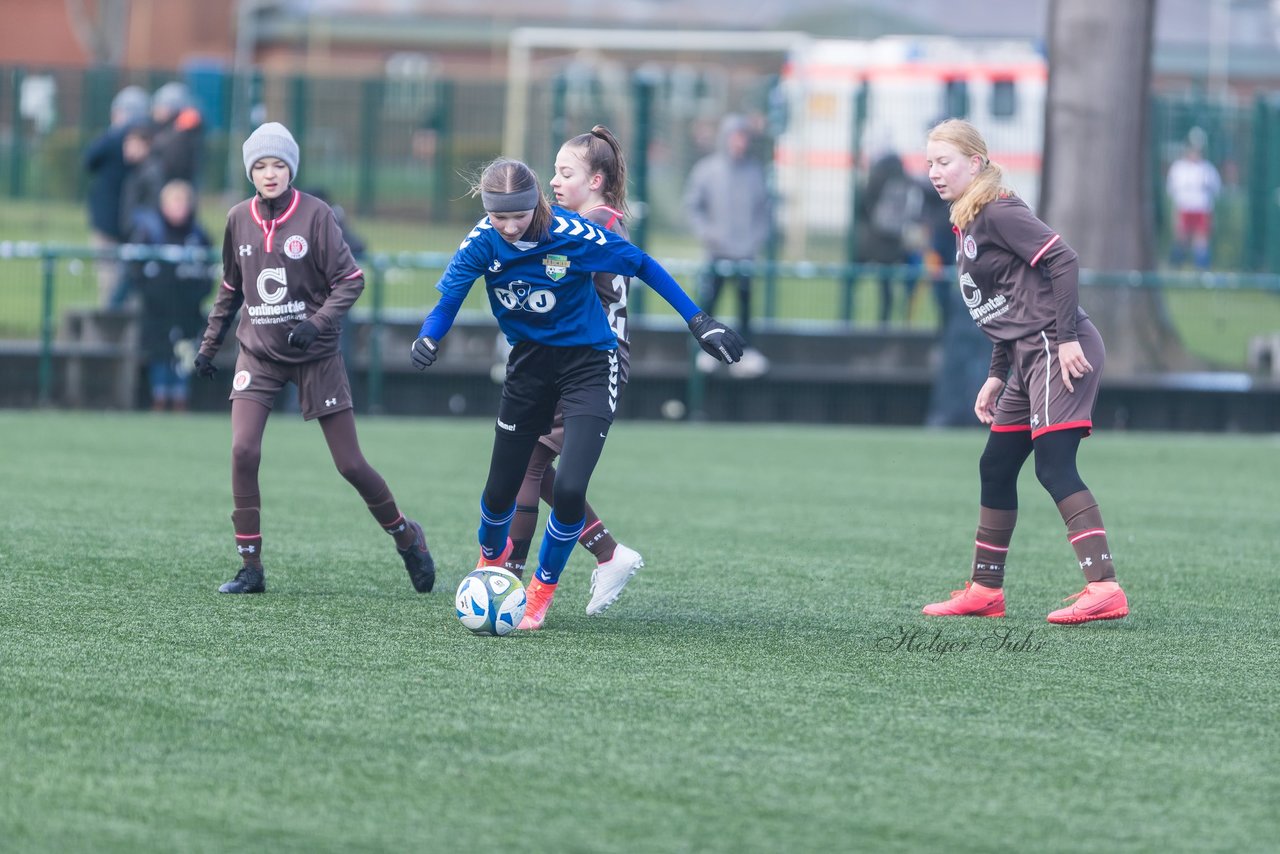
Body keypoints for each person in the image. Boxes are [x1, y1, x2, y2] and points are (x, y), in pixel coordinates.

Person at [411, 158, 744, 630]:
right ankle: (491, 561)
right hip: (529, 366)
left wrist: (699, 320)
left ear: (535, 204)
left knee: (568, 487)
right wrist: (428, 336)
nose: (507, 226)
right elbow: (448, 301)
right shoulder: (482, 241)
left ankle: (539, 594)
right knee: (499, 490)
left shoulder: (572, 234)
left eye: (517, 215)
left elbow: (642, 264)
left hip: (589, 364)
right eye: (497, 216)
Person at [193, 122, 434, 596]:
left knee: (349, 464)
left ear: (291, 169)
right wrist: (208, 344)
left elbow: (351, 279)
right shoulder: (238, 218)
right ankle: (251, 568)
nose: (269, 173)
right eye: (260, 165)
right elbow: (230, 286)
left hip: (314, 354)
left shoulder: (318, 216)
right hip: (258, 354)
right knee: (243, 451)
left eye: (278, 164)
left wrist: (317, 323)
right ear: (250, 172)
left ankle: (407, 537)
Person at [919, 118, 1129, 625]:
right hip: (1023, 357)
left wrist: (1067, 340)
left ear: (975, 162)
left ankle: (1104, 588)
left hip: (1056, 352)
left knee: (1053, 465)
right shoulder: (968, 219)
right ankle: (986, 590)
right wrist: (995, 374)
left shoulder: (998, 210)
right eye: (929, 163)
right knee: (995, 464)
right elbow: (1005, 304)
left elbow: (1063, 260)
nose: (934, 172)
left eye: (943, 162)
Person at [492, 125, 645, 616]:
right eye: (553, 171)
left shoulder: (592, 225)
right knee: (534, 466)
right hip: (572, 358)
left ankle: (512, 585)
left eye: (565, 172)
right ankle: (606, 553)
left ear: (596, 180)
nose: (553, 182)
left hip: (588, 364)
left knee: (529, 467)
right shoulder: (596, 219)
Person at [683, 113, 771, 377]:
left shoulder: (755, 172)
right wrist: (708, 234)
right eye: (735, 137)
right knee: (709, 300)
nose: (739, 143)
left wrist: (755, 239)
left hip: (745, 252)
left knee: (745, 303)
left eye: (743, 137)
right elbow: (692, 206)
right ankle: (705, 350)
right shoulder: (707, 170)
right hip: (717, 251)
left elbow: (764, 210)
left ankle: (745, 352)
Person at [126, 179, 211, 412]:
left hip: (188, 309)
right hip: (157, 309)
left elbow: (208, 273)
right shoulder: (150, 232)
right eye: (174, 203)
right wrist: (150, 291)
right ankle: (159, 397)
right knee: (160, 353)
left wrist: (197, 294)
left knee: (185, 352)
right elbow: (135, 270)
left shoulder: (198, 235)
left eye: (183, 203)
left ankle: (181, 398)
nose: (179, 208)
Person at [84, 85, 150, 306]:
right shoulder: (147, 139)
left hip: (115, 218)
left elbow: (89, 159)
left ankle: (111, 322)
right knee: (126, 273)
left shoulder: (115, 138)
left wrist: (115, 131)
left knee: (111, 274)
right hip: (131, 220)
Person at [857, 149, 924, 325]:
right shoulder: (905, 180)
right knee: (892, 283)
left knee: (880, 283)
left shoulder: (878, 177)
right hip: (896, 239)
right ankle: (897, 319)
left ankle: (883, 322)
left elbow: (864, 204)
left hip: (877, 238)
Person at [1165, 130, 1221, 270]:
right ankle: (1175, 267)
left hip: (1201, 209)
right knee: (1181, 239)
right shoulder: (1178, 168)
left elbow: (1216, 190)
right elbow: (1172, 190)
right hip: (1184, 207)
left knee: (1201, 241)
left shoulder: (1207, 169)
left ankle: (1202, 271)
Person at [149, 81, 205, 187]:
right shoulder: (171, 129)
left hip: (176, 187)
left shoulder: (181, 132)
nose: (156, 110)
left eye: (161, 105)